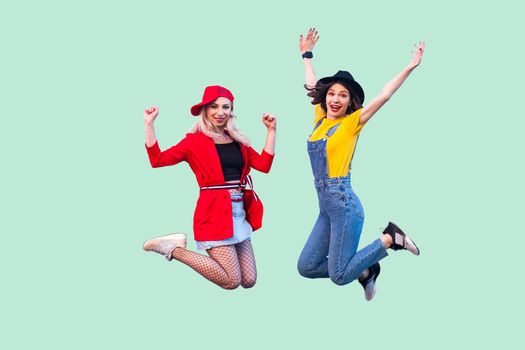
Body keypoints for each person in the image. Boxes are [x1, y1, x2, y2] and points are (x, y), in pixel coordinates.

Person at [296, 28, 425, 300]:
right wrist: (306, 55)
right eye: (332, 93)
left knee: (339, 276)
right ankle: (366, 270)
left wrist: (411, 66)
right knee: (306, 267)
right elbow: (311, 84)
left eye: (342, 96)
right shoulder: (320, 119)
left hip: (344, 205)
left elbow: (384, 95)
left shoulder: (351, 124)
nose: (335, 99)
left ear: (349, 101)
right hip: (326, 209)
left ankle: (391, 238)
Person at [142, 85, 276, 290]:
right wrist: (149, 124)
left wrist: (271, 131)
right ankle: (173, 249)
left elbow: (264, 166)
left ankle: (175, 248)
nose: (220, 112)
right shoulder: (193, 142)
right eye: (214, 106)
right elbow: (158, 160)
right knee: (232, 281)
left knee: (249, 280)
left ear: (232, 111)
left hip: (238, 212)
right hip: (214, 213)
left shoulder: (239, 141)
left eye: (226, 107)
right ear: (205, 110)